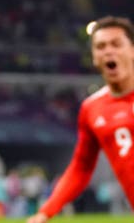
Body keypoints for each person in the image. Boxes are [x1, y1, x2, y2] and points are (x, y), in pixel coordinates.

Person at [27, 15, 134, 223]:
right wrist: (45, 212)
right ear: (94, 57)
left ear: (132, 50)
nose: (108, 51)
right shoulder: (92, 108)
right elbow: (81, 168)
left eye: (116, 44)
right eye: (101, 46)